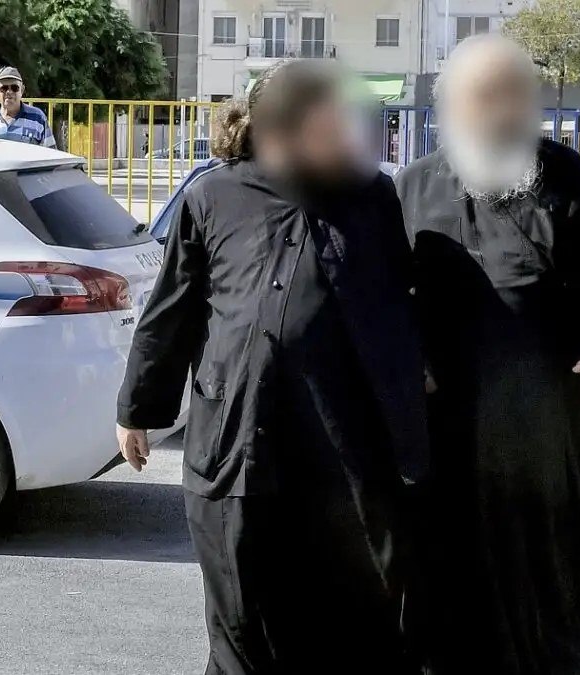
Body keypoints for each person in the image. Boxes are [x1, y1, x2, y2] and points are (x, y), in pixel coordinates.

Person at [114, 61, 427, 674]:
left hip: (341, 452)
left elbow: (401, 305)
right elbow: (171, 313)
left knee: (350, 621)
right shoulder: (212, 195)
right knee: (240, 623)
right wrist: (137, 410)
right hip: (236, 446)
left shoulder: (370, 198)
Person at [395, 34, 580, 675]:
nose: (500, 110)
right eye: (484, 96)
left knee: (554, 579)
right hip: (446, 426)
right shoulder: (412, 187)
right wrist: (408, 362)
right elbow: (383, 298)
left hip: (547, 426)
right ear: (451, 104)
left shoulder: (571, 179)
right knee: (445, 582)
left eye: (513, 95)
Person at [0, 67, 56, 149]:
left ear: (22, 90)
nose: (9, 92)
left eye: (14, 88)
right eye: (4, 88)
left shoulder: (38, 117)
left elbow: (51, 152)